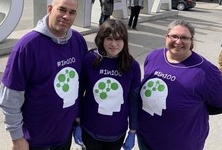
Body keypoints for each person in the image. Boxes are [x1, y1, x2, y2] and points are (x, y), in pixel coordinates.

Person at [0, 0, 88, 150]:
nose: (66, 16)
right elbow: (10, 98)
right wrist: (17, 138)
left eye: (72, 12)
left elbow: (79, 85)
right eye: (62, 9)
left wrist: (78, 118)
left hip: (64, 136)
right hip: (36, 140)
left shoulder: (78, 41)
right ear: (50, 9)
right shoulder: (27, 46)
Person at [137, 19, 222, 150]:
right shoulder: (153, 57)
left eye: (184, 38)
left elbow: (219, 103)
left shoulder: (206, 71)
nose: (178, 41)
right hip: (145, 139)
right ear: (166, 37)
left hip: (182, 145)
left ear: (191, 41)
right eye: (174, 36)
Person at [74, 19, 141, 150]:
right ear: (101, 39)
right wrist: (77, 122)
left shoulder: (132, 66)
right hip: (89, 130)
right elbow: (78, 93)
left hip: (117, 133)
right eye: (109, 39)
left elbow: (133, 101)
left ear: (125, 41)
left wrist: (133, 131)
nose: (114, 44)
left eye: (119, 39)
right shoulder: (89, 60)